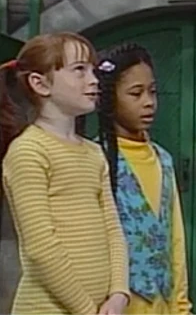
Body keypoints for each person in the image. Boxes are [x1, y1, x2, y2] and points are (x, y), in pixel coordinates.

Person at [0, 32, 130, 315]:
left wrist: (119, 293)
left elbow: (113, 229)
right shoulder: (29, 151)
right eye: (79, 70)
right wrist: (86, 310)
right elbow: (40, 248)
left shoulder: (93, 153)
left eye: (93, 70)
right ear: (40, 83)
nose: (93, 80)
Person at [95, 42, 192, 315]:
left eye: (152, 92)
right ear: (109, 99)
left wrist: (181, 306)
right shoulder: (96, 158)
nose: (148, 102)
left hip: (161, 304)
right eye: (136, 94)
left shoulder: (162, 159)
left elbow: (175, 241)